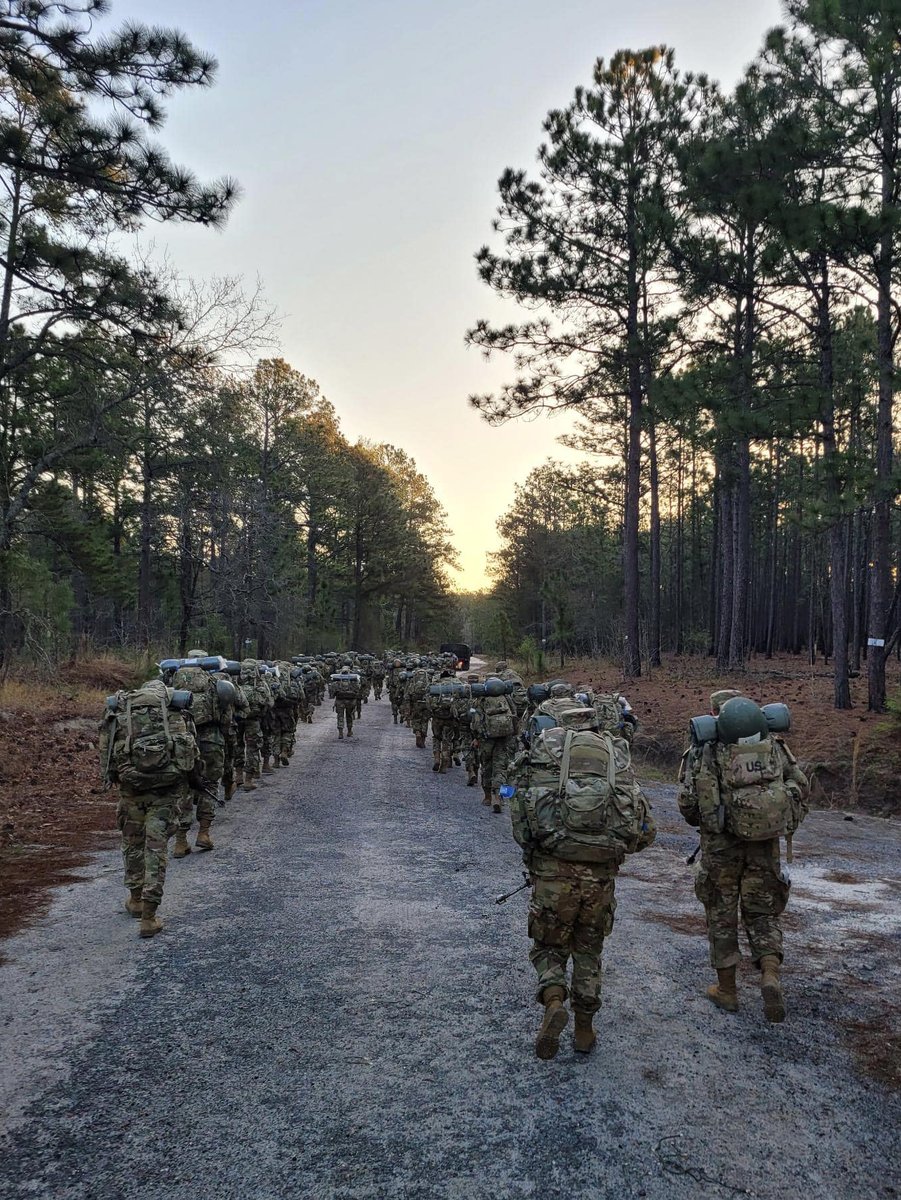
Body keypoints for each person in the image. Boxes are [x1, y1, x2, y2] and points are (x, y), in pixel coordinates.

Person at [509, 708, 655, 1056]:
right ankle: (585, 1030)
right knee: (589, 950)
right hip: (600, 881)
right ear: (595, 725)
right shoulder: (615, 761)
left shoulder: (544, 760)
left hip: (552, 877)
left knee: (548, 946)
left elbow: (521, 828)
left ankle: (554, 999)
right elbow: (645, 832)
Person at [677, 690, 809, 1023]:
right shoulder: (773, 748)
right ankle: (769, 974)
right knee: (762, 910)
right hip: (764, 845)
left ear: (714, 714)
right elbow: (800, 786)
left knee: (722, 914)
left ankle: (728, 991)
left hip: (721, 849)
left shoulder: (704, 752)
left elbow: (689, 807)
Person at [99, 678, 200, 938]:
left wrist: (117, 778)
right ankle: (149, 916)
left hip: (131, 792)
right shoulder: (175, 710)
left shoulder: (120, 710)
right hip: (165, 792)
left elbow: (107, 756)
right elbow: (191, 755)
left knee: (133, 844)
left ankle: (135, 900)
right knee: (156, 850)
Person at [472, 674, 518, 813]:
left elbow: (475, 721)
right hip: (505, 738)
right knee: (503, 768)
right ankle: (500, 797)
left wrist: (476, 737)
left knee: (486, 766)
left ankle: (487, 797)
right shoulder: (507, 698)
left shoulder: (481, 699)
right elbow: (515, 716)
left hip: (487, 738)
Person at [330, 661, 362, 739]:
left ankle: (340, 732)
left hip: (340, 701)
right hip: (350, 702)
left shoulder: (337, 681)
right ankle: (349, 731)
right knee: (349, 716)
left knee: (340, 716)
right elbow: (357, 690)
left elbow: (332, 693)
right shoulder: (353, 680)